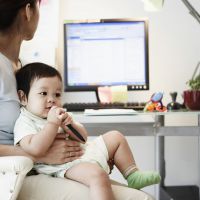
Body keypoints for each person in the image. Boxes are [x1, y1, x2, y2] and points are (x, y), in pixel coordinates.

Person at [0, 0, 155, 199]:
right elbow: (35, 145)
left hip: (41, 167)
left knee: (138, 194)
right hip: (15, 174)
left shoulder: (26, 70)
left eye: (56, 94)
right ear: (28, 11)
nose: (51, 99)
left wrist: (89, 154)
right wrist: (39, 154)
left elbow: (75, 135)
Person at [14, 62, 161, 200]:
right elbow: (34, 148)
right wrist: (52, 124)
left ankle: (133, 175)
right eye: (43, 93)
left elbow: (83, 138)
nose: (52, 99)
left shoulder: (60, 115)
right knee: (98, 175)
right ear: (23, 97)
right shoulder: (25, 121)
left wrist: (70, 126)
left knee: (116, 137)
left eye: (57, 94)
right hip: (63, 166)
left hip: (83, 152)